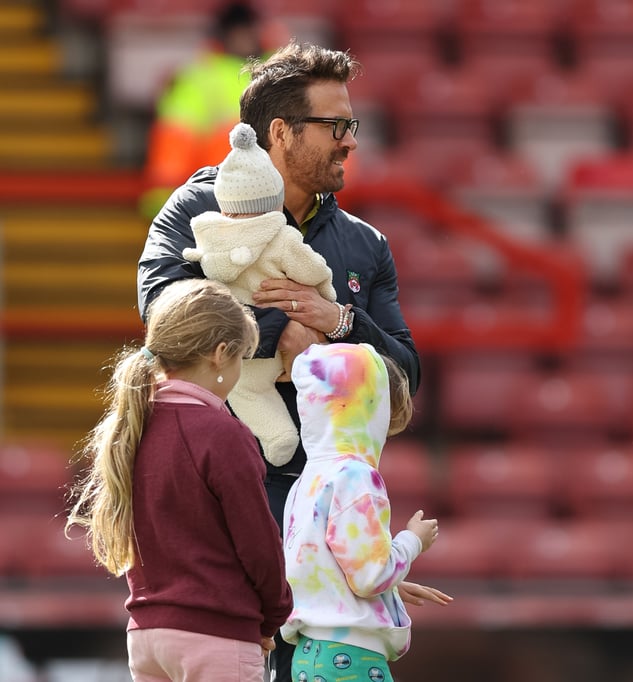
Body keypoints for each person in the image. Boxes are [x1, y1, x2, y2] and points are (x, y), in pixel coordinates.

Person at [136, 39, 436, 680]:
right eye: (337, 126)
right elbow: (166, 324)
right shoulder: (194, 213)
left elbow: (407, 375)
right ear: (280, 132)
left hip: (318, 514)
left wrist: (339, 322)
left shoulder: (365, 244)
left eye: (350, 126)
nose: (351, 142)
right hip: (213, 503)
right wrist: (279, 331)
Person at [65, 278, 292, 682]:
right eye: (242, 357)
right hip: (216, 635)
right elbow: (259, 544)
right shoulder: (223, 433)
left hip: (147, 637)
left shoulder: (130, 427)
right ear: (221, 355)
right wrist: (274, 615)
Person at [184, 121, 339, 467]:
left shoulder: (210, 239)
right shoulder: (282, 237)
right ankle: (288, 438)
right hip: (284, 349)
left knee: (247, 392)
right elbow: (310, 269)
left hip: (237, 356)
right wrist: (326, 294)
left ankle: (277, 435)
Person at [282, 343, 440, 682]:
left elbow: (317, 569)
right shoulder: (356, 477)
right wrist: (413, 541)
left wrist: (393, 590)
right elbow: (371, 576)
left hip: (309, 656)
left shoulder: (306, 480)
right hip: (352, 659)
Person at [139, 2, 267, 220]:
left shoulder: (281, 73)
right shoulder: (199, 76)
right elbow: (174, 139)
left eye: (247, 31)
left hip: (270, 202)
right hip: (215, 206)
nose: (244, 38)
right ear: (224, 34)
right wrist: (168, 206)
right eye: (238, 31)